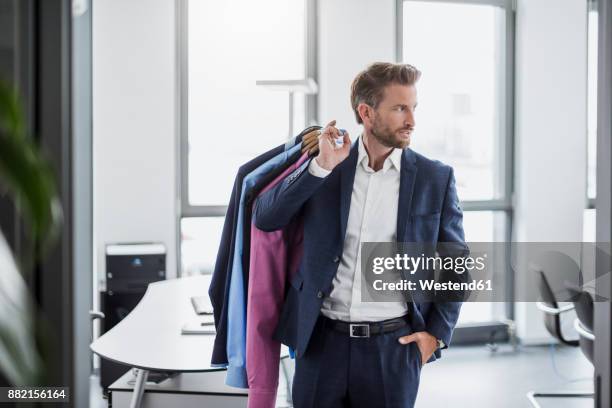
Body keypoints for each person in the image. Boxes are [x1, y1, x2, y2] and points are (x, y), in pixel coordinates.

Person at [254, 62, 466, 408]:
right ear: (366, 112)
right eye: (400, 108)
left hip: (393, 349)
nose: (411, 120)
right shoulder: (327, 168)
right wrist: (319, 167)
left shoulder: (435, 178)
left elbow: (456, 263)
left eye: (414, 107)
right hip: (320, 343)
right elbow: (267, 217)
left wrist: (436, 335)